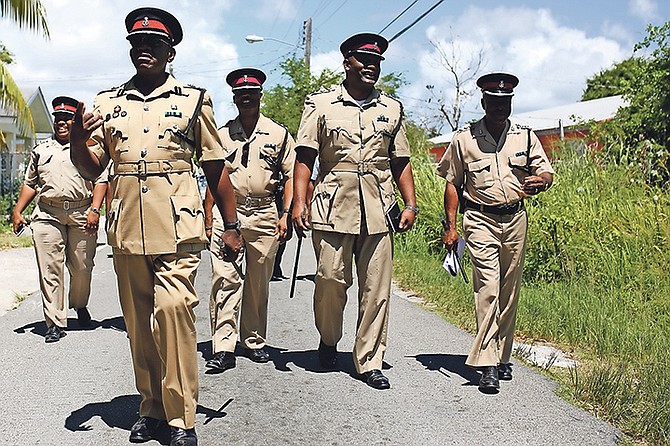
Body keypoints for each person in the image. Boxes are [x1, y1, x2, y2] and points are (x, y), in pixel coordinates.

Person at [68, 8, 242, 446]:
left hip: (179, 228)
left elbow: (216, 167)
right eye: (136, 43)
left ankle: (182, 417)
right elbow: (92, 168)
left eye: (153, 44)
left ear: (170, 52)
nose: (143, 49)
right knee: (139, 323)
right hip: (127, 228)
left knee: (174, 312)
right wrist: (74, 140)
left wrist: (232, 223)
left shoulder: (193, 100)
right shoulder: (108, 104)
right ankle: (151, 406)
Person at [292, 33, 417, 390]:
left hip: (379, 206)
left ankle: (369, 359)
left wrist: (410, 203)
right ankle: (329, 339)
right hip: (333, 205)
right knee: (330, 281)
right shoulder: (320, 104)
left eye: (376, 62)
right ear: (347, 62)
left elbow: (401, 160)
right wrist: (298, 202)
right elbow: (305, 157)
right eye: (364, 60)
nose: (371, 67)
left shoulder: (391, 108)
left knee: (376, 288)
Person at [437, 73, 554, 392]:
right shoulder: (465, 139)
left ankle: (503, 357)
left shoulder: (526, 137)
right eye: (495, 101)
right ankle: (487, 364)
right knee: (487, 288)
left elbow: (545, 171)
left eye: (506, 101)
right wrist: (451, 228)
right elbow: (452, 183)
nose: (501, 106)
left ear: (511, 102)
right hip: (479, 220)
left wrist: (541, 181)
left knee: (508, 291)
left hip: (516, 219)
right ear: (484, 102)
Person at [204, 68, 295, 373]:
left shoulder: (279, 134)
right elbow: (213, 177)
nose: (246, 97)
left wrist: (286, 214)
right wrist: (208, 219)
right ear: (234, 98)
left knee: (257, 282)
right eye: (240, 94)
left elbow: (292, 173)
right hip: (227, 213)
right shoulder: (220, 133)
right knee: (225, 279)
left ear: (260, 96)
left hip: (265, 212)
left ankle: (253, 340)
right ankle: (223, 346)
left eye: (251, 93)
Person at [12, 96, 106, 343]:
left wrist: (95, 210)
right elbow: (31, 183)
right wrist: (18, 210)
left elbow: (100, 180)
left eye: (68, 119)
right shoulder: (41, 150)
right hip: (47, 214)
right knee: (49, 269)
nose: (62, 123)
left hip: (81, 214)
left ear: (76, 122)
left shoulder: (89, 146)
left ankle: (79, 304)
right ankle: (54, 322)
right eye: (59, 119)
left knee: (82, 268)